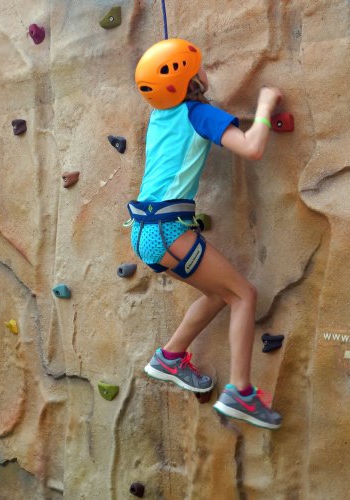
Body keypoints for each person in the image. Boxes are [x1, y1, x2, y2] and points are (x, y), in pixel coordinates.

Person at [127, 38, 283, 429]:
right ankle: (241, 393)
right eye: (198, 66)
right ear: (188, 77)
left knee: (218, 294)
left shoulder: (160, 117)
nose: (204, 70)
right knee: (243, 295)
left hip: (146, 232)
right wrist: (265, 105)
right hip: (167, 231)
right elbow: (251, 148)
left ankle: (170, 357)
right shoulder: (199, 114)